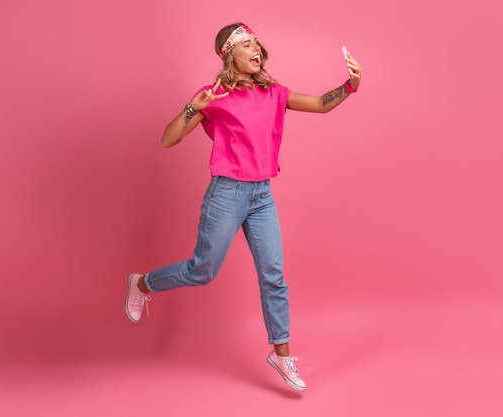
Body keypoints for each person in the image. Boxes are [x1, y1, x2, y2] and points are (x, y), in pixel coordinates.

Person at [125, 22, 361, 393]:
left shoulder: (273, 92)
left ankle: (281, 355)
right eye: (246, 44)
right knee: (203, 271)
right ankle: (142, 283)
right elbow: (168, 139)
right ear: (228, 55)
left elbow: (318, 104)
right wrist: (192, 107)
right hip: (227, 194)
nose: (255, 48)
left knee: (273, 276)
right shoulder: (213, 96)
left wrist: (350, 86)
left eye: (256, 42)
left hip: (261, 195)